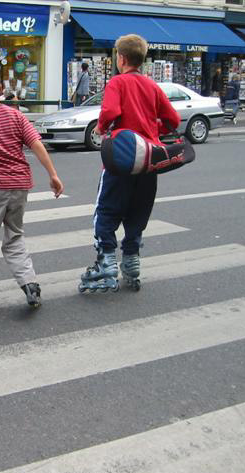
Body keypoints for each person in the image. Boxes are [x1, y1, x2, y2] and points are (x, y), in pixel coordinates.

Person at [80, 34, 180, 293]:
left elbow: (111, 112)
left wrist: (103, 129)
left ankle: (108, 261)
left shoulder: (118, 82)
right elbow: (173, 120)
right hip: (148, 161)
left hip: (121, 160)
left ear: (121, 58)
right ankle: (132, 263)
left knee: (107, 210)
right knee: (137, 212)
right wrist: (153, 128)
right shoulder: (152, 86)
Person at [0, 65, 64, 313]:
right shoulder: (16, 116)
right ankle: (30, 286)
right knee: (15, 236)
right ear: (0, 89)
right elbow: (36, 144)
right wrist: (52, 174)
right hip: (20, 185)